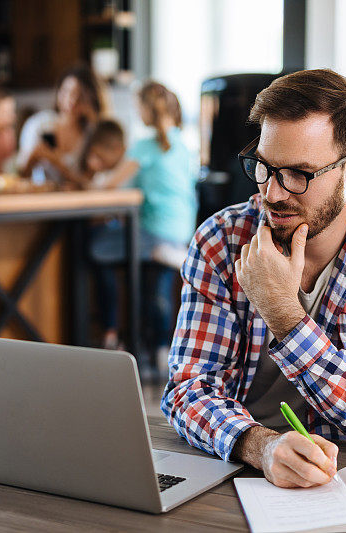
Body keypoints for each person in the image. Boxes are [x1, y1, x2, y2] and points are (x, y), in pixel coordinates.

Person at [161, 69, 346, 489]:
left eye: (299, 173)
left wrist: (284, 314)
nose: (273, 193)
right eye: (264, 167)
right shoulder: (221, 239)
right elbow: (188, 388)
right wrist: (261, 446)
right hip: (232, 461)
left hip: (343, 476)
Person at [89, 81, 197, 369]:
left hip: (153, 228)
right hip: (182, 227)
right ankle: (162, 349)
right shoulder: (183, 146)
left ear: (146, 110)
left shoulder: (144, 147)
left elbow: (112, 186)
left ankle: (112, 332)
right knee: (158, 283)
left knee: (97, 247)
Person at [18, 65, 105, 185]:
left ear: (91, 98)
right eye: (66, 92)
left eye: (80, 95)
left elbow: (88, 183)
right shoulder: (40, 124)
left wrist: (57, 162)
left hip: (76, 201)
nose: (71, 100)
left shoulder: (90, 134)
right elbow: (21, 176)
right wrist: (33, 157)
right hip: (41, 198)